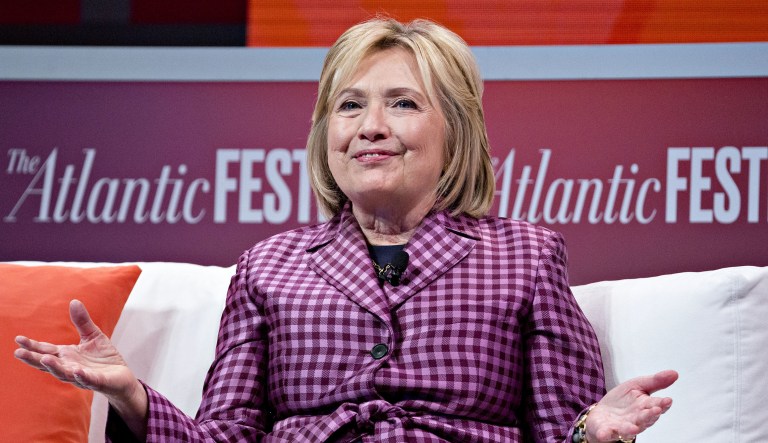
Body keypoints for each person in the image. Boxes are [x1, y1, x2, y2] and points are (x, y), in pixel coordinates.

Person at [14, 17, 677, 442]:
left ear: (457, 131)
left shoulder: (526, 257)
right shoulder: (269, 266)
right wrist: (133, 396)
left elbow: (563, 432)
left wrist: (595, 428)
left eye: (403, 103)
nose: (371, 127)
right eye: (350, 105)